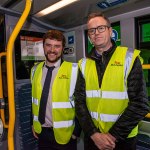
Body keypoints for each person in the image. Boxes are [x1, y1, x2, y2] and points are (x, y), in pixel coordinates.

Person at [74, 12, 149, 150]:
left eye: (101, 28)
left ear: (109, 31)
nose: (96, 33)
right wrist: (94, 135)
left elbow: (140, 103)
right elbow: (79, 101)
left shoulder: (130, 58)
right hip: (92, 139)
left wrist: (111, 136)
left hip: (122, 139)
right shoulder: (83, 64)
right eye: (92, 30)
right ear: (89, 36)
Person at [31, 30, 81, 150]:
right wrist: (32, 124)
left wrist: (76, 132)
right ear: (43, 46)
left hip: (66, 135)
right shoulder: (35, 70)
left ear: (62, 48)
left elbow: (82, 103)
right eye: (48, 45)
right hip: (41, 132)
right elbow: (34, 100)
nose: (52, 50)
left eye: (57, 46)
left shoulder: (74, 70)